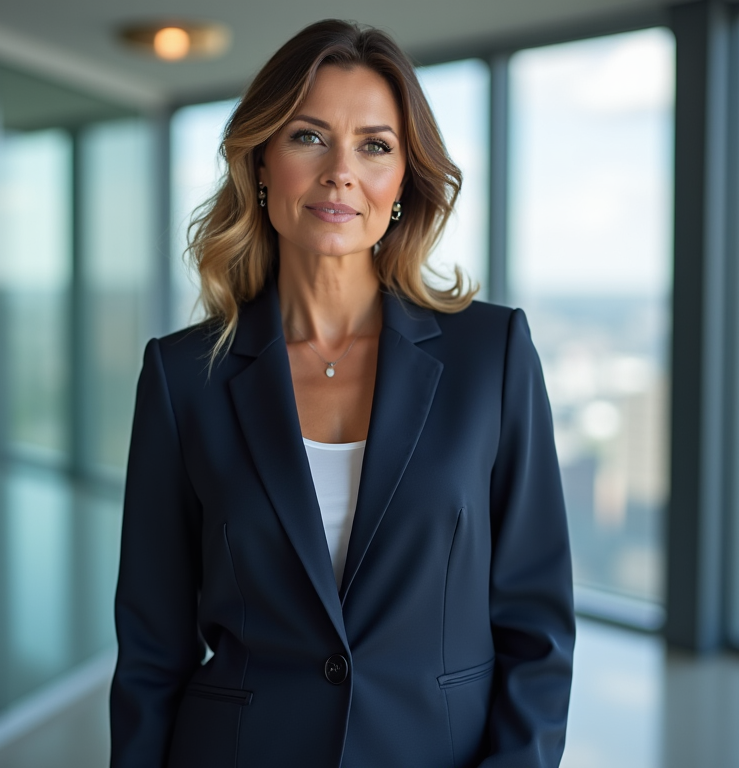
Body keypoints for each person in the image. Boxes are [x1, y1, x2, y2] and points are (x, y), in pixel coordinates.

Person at [110, 19, 574, 768]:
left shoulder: (493, 355)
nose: (340, 172)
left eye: (374, 145)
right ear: (261, 162)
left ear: (402, 181)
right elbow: (152, 649)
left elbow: (537, 626)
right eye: (307, 136)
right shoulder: (181, 377)